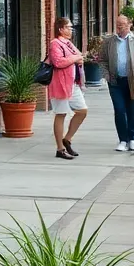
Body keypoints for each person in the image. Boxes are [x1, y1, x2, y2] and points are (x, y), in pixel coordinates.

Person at [101, 13, 134, 152]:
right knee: (119, 110)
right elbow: (102, 60)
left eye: (121, 25)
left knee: (131, 110)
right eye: (117, 25)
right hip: (115, 81)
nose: (118, 28)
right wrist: (107, 75)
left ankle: (132, 138)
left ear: (129, 25)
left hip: (132, 81)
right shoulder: (109, 41)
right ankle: (122, 139)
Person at [47, 17, 88, 160]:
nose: (71, 30)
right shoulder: (55, 44)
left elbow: (79, 56)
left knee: (82, 111)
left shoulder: (68, 43)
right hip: (61, 85)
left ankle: (67, 138)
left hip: (73, 84)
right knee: (61, 114)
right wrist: (76, 59)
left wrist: (79, 58)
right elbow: (58, 62)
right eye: (68, 27)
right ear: (61, 29)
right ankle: (60, 148)